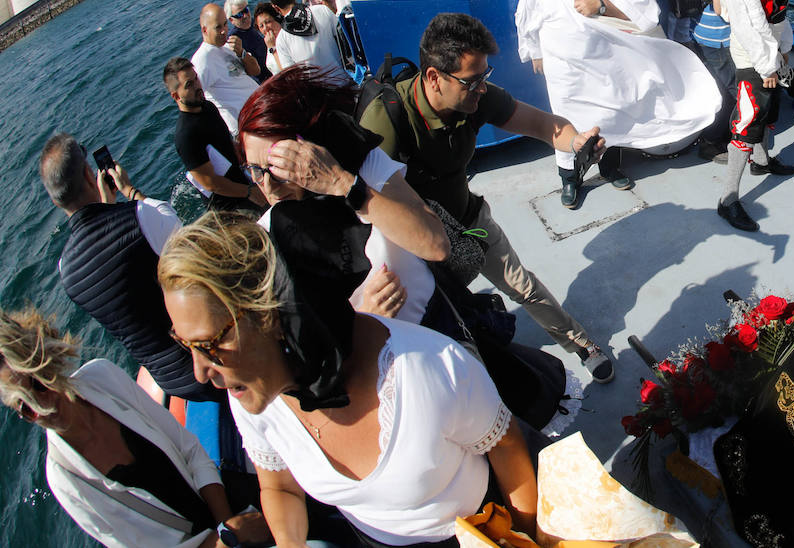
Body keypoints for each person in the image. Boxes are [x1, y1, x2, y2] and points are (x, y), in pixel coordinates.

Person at [159, 212, 539, 547]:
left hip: (490, 525)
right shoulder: (252, 395)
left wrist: (529, 538)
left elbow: (505, 447)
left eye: (209, 344)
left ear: (269, 316)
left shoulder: (427, 368)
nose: (200, 372)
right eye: (184, 343)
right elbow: (280, 485)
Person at [359, 13, 615, 383]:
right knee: (450, 330)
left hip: (470, 222)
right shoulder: (385, 120)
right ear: (434, 77)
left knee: (523, 286)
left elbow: (544, 125)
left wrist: (576, 142)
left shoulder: (474, 98)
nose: (482, 88)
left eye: (485, 76)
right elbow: (367, 206)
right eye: (472, 81)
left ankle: (580, 344)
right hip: (417, 250)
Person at [0, 308, 272, 548]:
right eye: (25, 407)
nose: (41, 409)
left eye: (37, 385)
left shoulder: (101, 377)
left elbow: (188, 448)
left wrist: (228, 523)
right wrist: (227, 539)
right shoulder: (65, 480)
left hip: (221, 497)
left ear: (46, 362)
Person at [515, 0, 715, 208]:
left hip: (605, 61)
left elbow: (646, 8)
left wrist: (602, 6)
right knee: (566, 120)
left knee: (611, 114)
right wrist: (535, 52)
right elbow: (526, 17)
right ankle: (569, 179)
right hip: (563, 66)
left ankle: (610, 168)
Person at [234, 66, 449, 331]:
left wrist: (343, 184)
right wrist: (361, 320)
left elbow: (436, 245)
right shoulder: (268, 238)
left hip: (439, 323)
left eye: (280, 168)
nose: (268, 186)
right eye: (255, 171)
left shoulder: (361, 165)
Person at [38, 133, 214, 401]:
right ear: (89, 175)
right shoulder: (141, 216)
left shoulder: (67, 271)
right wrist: (129, 192)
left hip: (172, 383)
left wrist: (107, 208)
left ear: (56, 201)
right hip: (209, 358)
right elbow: (194, 251)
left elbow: (112, 266)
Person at [714, 0, 794, 233]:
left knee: (767, 111)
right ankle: (728, 199)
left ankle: (762, 161)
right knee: (747, 122)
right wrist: (767, 64)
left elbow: (773, 9)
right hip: (753, 56)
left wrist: (782, 49)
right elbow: (748, 22)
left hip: (768, 50)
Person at [163, 57, 264, 214]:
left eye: (196, 78)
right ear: (176, 96)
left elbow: (228, 143)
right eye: (189, 85)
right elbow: (210, 183)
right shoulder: (186, 136)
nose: (198, 86)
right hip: (230, 207)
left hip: (244, 181)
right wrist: (250, 192)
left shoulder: (208, 107)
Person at [689, 0, 736, 162]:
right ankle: (713, 142)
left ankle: (705, 133)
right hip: (717, 35)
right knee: (729, 91)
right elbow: (722, 8)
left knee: (710, 87)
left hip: (696, 27)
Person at [190, 4, 261, 137]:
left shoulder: (229, 46)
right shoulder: (202, 60)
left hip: (260, 112)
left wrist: (241, 53)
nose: (224, 31)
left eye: (224, 25)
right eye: (218, 27)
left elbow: (255, 71)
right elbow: (194, 103)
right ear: (205, 30)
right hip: (247, 127)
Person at [268, 0, 345, 77]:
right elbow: (344, 37)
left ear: (275, 8)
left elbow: (292, 76)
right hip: (343, 80)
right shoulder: (322, 10)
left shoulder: (282, 40)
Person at [225, 0, 268, 84]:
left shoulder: (256, 22)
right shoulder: (234, 41)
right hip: (264, 81)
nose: (245, 16)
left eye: (246, 10)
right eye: (239, 14)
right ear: (231, 20)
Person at [253, 4, 286, 76]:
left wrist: (273, 48)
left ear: (277, 19)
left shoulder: (287, 38)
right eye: (261, 26)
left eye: (268, 22)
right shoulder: (270, 43)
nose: (265, 28)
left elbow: (287, 71)